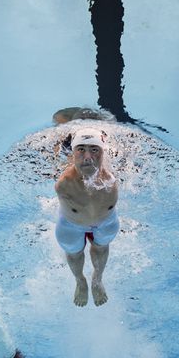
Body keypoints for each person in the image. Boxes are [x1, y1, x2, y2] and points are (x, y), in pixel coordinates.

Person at [54, 128, 119, 306]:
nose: (88, 157)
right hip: (71, 225)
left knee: (102, 246)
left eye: (94, 150)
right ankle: (80, 281)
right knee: (74, 253)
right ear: (73, 153)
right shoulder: (63, 184)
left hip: (105, 223)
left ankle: (97, 279)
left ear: (103, 153)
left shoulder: (115, 176)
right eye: (81, 149)